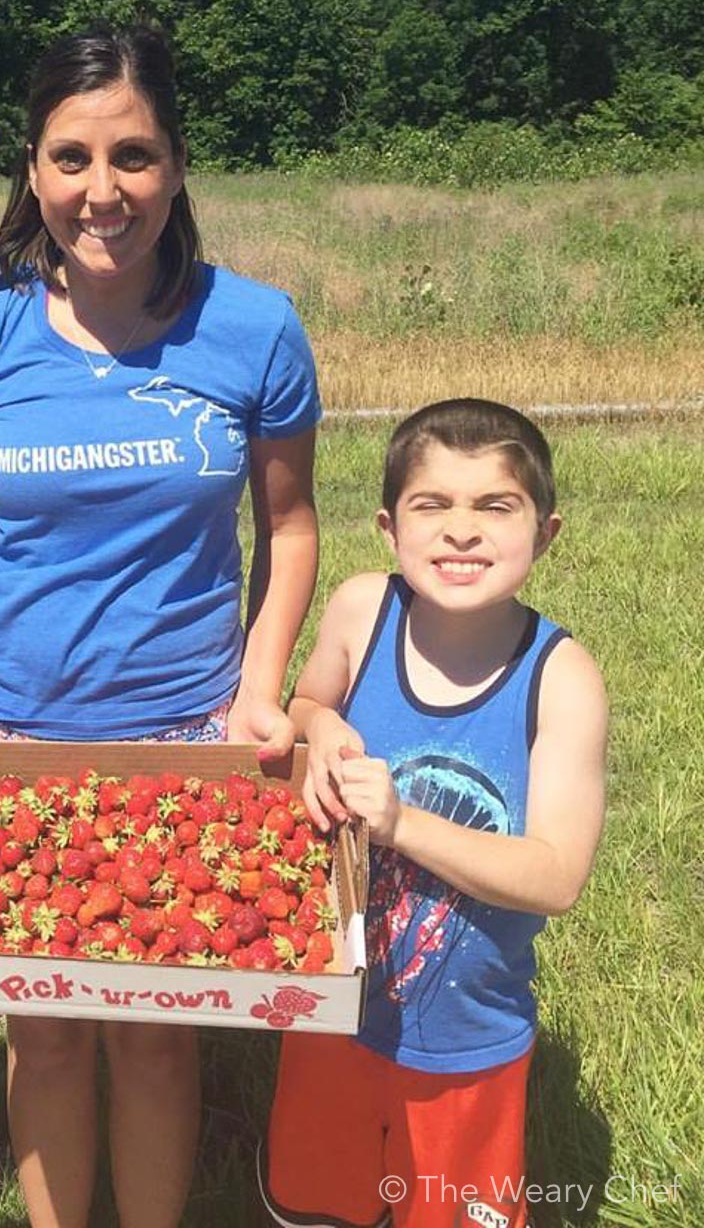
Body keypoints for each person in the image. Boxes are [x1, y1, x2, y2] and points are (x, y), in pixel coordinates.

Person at [0, 23, 322, 1228]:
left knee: (159, 1041)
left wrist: (261, 688)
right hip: (1, 728)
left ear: (178, 164)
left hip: (181, 732)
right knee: (47, 1034)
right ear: (33, 169)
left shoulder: (255, 328)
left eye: (134, 157)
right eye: (71, 159)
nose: (102, 192)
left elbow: (293, 525)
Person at [260, 399, 608, 1228]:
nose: (461, 531)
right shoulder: (361, 611)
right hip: (328, 1001)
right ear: (388, 528)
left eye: (495, 506)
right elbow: (307, 701)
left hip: (468, 1036)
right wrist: (322, 722)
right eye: (432, 505)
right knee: (321, 1204)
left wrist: (405, 823)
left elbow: (557, 875)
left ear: (546, 532)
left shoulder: (561, 680)